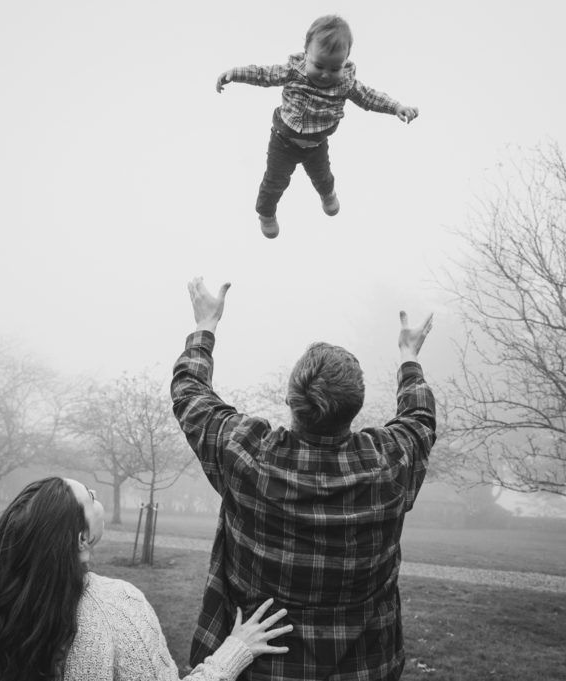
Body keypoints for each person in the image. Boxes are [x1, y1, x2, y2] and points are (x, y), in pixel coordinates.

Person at [171, 278, 436, 681]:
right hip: (365, 669)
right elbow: (419, 418)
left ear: (290, 402)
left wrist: (205, 324)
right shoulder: (390, 464)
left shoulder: (248, 454)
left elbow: (190, 393)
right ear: (356, 406)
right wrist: (408, 356)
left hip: (259, 670)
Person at [0, 476, 292, 681]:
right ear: (81, 541)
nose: (96, 493)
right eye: (89, 497)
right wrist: (233, 652)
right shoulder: (119, 607)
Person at [215, 15, 419, 239]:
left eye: (334, 68)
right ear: (306, 54)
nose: (325, 74)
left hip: (316, 145)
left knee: (323, 176)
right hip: (283, 142)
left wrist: (397, 107)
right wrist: (235, 74)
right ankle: (266, 213)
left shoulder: (346, 84)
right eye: (319, 65)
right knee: (275, 181)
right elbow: (264, 74)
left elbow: (370, 97)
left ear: (345, 61)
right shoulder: (293, 71)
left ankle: (328, 195)